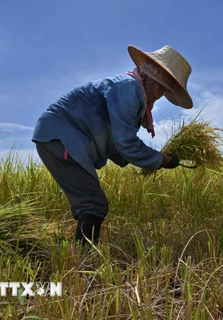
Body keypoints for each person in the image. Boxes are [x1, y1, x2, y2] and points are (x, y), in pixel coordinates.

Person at [32, 45, 193, 246]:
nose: (159, 96)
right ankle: (84, 262)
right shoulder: (128, 88)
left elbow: (116, 144)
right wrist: (163, 160)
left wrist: (155, 159)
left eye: (165, 90)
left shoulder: (133, 90)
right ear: (151, 77)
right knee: (93, 204)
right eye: (161, 87)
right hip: (62, 137)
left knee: (92, 203)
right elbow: (126, 143)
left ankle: (82, 257)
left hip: (62, 137)